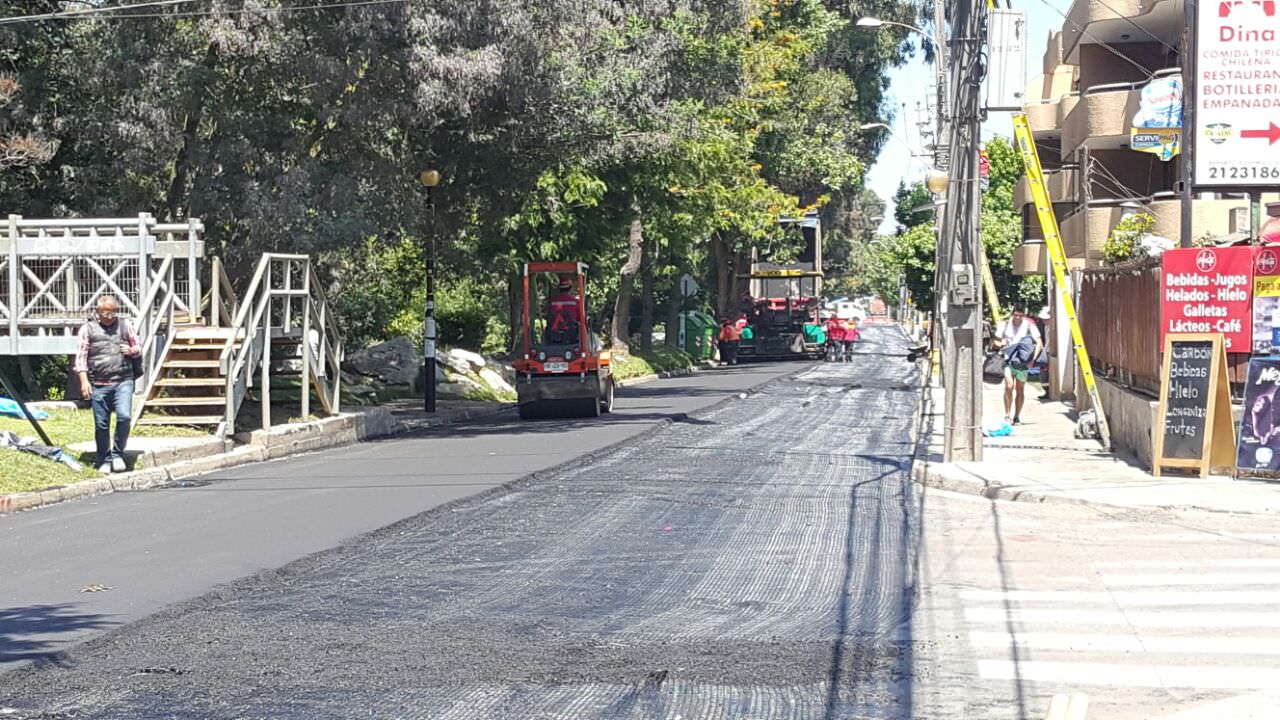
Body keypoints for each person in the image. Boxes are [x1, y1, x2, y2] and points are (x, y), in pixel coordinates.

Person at [75, 295, 141, 474]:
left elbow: (138, 346)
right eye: (106, 313)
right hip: (98, 383)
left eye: (113, 313)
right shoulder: (87, 329)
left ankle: (118, 454)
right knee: (101, 424)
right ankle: (104, 458)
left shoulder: (125, 325)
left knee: (124, 417)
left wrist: (131, 350)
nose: (110, 317)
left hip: (123, 380)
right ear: (98, 312)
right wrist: (84, 381)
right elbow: (81, 357)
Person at [994, 308, 1043, 425]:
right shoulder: (1004, 325)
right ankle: (1007, 414)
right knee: (1009, 386)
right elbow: (995, 342)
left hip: (1022, 362)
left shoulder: (1029, 326)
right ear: (1012, 315)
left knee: (1020, 389)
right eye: (1015, 315)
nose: (1017, 318)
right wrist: (1001, 343)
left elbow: (1039, 343)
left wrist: (1033, 360)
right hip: (1008, 360)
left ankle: (1017, 416)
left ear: (1023, 316)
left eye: (1020, 315)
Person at [544, 274, 582, 345]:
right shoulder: (575, 302)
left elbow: (548, 317)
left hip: (553, 335)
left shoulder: (552, 302)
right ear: (570, 288)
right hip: (571, 335)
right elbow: (581, 319)